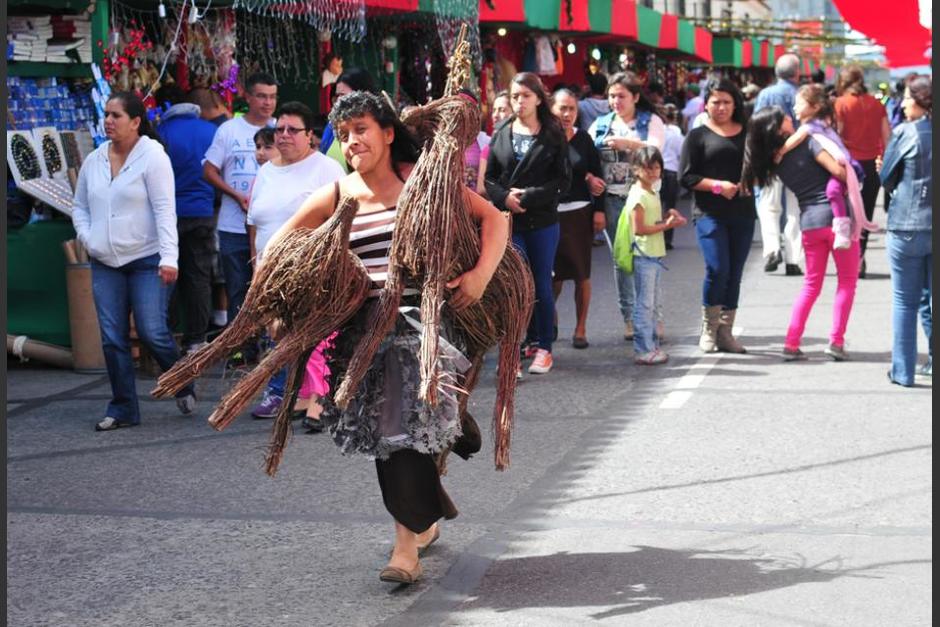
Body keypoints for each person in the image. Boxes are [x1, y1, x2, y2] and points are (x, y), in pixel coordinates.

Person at [264, 90, 510, 585]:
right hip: (365, 336)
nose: (353, 141)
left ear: (388, 132)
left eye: (363, 130)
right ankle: (439, 470)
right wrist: (278, 298)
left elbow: (494, 219)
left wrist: (481, 275)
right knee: (394, 435)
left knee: (398, 435)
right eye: (346, 133)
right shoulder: (339, 194)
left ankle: (405, 550)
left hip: (425, 329)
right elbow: (279, 243)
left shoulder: (421, 183)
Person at [71, 92, 196, 431]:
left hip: (146, 258)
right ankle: (124, 407)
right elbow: (79, 206)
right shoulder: (95, 159)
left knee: (153, 332)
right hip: (104, 260)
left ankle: (183, 378)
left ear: (136, 122)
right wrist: (88, 237)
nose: (108, 121)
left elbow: (164, 210)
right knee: (112, 338)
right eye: (107, 114)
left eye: (116, 115)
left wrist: (169, 258)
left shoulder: (153, 157)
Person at [245, 101, 346, 419]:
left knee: (313, 337)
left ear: (309, 135)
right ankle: (299, 394)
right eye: (280, 129)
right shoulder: (266, 171)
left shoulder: (326, 169)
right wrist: (256, 269)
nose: (285, 135)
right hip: (270, 273)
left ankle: (319, 399)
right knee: (282, 336)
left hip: (311, 270)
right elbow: (254, 225)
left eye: (293, 130)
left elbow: (342, 220)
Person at [742, 106, 861, 361]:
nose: (790, 118)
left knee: (810, 286)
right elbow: (839, 172)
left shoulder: (776, 160)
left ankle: (791, 342)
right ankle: (836, 342)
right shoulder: (808, 143)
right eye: (784, 117)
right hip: (837, 219)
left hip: (810, 224)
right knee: (847, 282)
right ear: (777, 127)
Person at [485, 72, 571, 375]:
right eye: (514, 95)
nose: (519, 102)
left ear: (538, 98)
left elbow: (563, 180)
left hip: (543, 220)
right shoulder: (502, 131)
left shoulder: (552, 133)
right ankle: (512, 352)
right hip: (510, 222)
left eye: (525, 96)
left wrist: (530, 196)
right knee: (513, 285)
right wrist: (504, 197)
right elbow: (490, 178)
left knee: (541, 285)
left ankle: (544, 347)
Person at [203, 72, 278, 364]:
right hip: (233, 226)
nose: (267, 102)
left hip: (271, 229)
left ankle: (272, 349)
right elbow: (208, 170)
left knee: (269, 290)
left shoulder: (281, 130)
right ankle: (241, 348)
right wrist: (235, 195)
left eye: (272, 96)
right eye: (261, 96)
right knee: (238, 289)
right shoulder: (229, 130)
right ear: (247, 97)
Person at [589, 71, 666, 342]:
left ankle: (654, 317)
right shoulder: (601, 124)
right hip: (612, 200)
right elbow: (586, 159)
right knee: (622, 261)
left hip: (644, 200)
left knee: (649, 260)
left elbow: (656, 151)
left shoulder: (650, 121)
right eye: (611, 96)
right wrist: (590, 178)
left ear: (635, 96)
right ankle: (631, 319)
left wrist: (629, 144)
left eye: (621, 95)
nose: (615, 101)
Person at [679, 77, 754, 354]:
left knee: (734, 273)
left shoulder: (747, 132)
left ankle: (725, 332)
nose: (721, 107)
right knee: (717, 268)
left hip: (743, 211)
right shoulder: (697, 135)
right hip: (709, 212)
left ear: (735, 104)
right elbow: (686, 177)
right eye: (715, 102)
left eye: (726, 102)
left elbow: (760, 165)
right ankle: (709, 329)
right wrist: (717, 186)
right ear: (706, 104)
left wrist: (752, 181)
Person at [155, 84, 219, 354]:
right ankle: (195, 341)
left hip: (169, 216)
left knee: (166, 277)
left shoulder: (161, 133)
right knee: (199, 277)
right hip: (203, 213)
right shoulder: (212, 131)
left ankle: (164, 338)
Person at [880, 76, 932, 386]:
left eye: (907, 99)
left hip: (906, 225)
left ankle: (903, 371)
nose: (902, 104)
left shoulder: (905, 132)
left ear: (920, 101)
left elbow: (887, 177)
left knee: (905, 301)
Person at [777, 84, 866, 251]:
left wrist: (780, 153)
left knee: (832, 190)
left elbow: (795, 139)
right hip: (842, 164)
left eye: (800, 103)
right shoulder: (822, 123)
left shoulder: (810, 126)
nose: (795, 107)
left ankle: (842, 229)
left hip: (843, 165)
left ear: (815, 107)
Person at [550, 87, 605, 349]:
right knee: (552, 276)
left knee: (582, 273)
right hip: (550, 213)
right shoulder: (546, 138)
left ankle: (581, 329)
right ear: (551, 109)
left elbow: (598, 174)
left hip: (580, 211)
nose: (567, 114)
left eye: (572, 109)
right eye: (562, 108)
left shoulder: (584, 139)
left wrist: (599, 210)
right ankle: (550, 319)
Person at [625, 146, 687, 365]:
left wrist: (669, 221)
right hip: (644, 256)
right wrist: (666, 225)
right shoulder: (639, 195)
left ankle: (650, 347)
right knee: (644, 305)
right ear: (636, 169)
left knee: (651, 303)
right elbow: (639, 229)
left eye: (656, 167)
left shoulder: (652, 191)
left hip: (653, 255)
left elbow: (651, 224)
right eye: (647, 168)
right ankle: (643, 349)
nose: (652, 172)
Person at [834, 64, 892, 279]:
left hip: (848, 166)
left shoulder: (840, 104)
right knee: (865, 213)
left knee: (846, 212)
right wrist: (885, 161)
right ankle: (859, 257)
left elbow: (837, 136)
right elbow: (887, 137)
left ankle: (851, 258)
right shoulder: (877, 105)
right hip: (872, 166)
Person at [753, 53, 804, 277]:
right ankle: (793, 259)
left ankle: (772, 249)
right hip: (798, 157)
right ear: (797, 72)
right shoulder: (802, 94)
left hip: (770, 156)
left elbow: (756, 125)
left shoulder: (766, 94)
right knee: (795, 209)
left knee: (768, 206)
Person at [319, 67, 377, 171]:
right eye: (336, 97)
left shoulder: (376, 130)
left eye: (344, 96)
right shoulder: (332, 127)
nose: (339, 102)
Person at [476, 91, 512, 197]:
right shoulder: (489, 149)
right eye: (494, 110)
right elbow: (481, 189)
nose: (495, 115)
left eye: (502, 110)